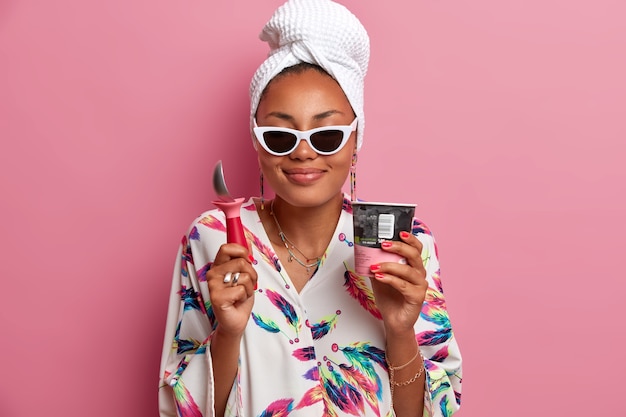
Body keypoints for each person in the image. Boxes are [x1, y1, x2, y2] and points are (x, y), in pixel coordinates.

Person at [158, 1, 462, 416]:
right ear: (257, 142)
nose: (303, 152)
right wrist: (228, 334)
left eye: (328, 135)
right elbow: (183, 408)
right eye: (280, 136)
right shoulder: (214, 238)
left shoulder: (405, 244)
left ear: (356, 141)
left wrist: (400, 329)